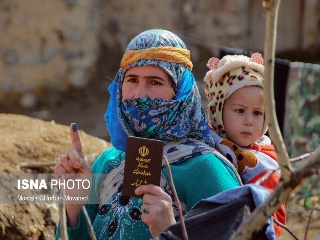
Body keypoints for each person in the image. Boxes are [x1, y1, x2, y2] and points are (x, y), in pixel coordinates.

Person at [54, 29, 241, 240]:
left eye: (155, 82)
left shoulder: (205, 170)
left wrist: (168, 232)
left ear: (181, 90)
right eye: (132, 80)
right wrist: (73, 209)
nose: (139, 95)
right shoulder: (107, 163)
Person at [203, 53, 286, 238]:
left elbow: (276, 220)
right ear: (217, 112)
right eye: (240, 111)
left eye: (257, 113)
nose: (249, 121)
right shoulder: (204, 142)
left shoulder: (267, 163)